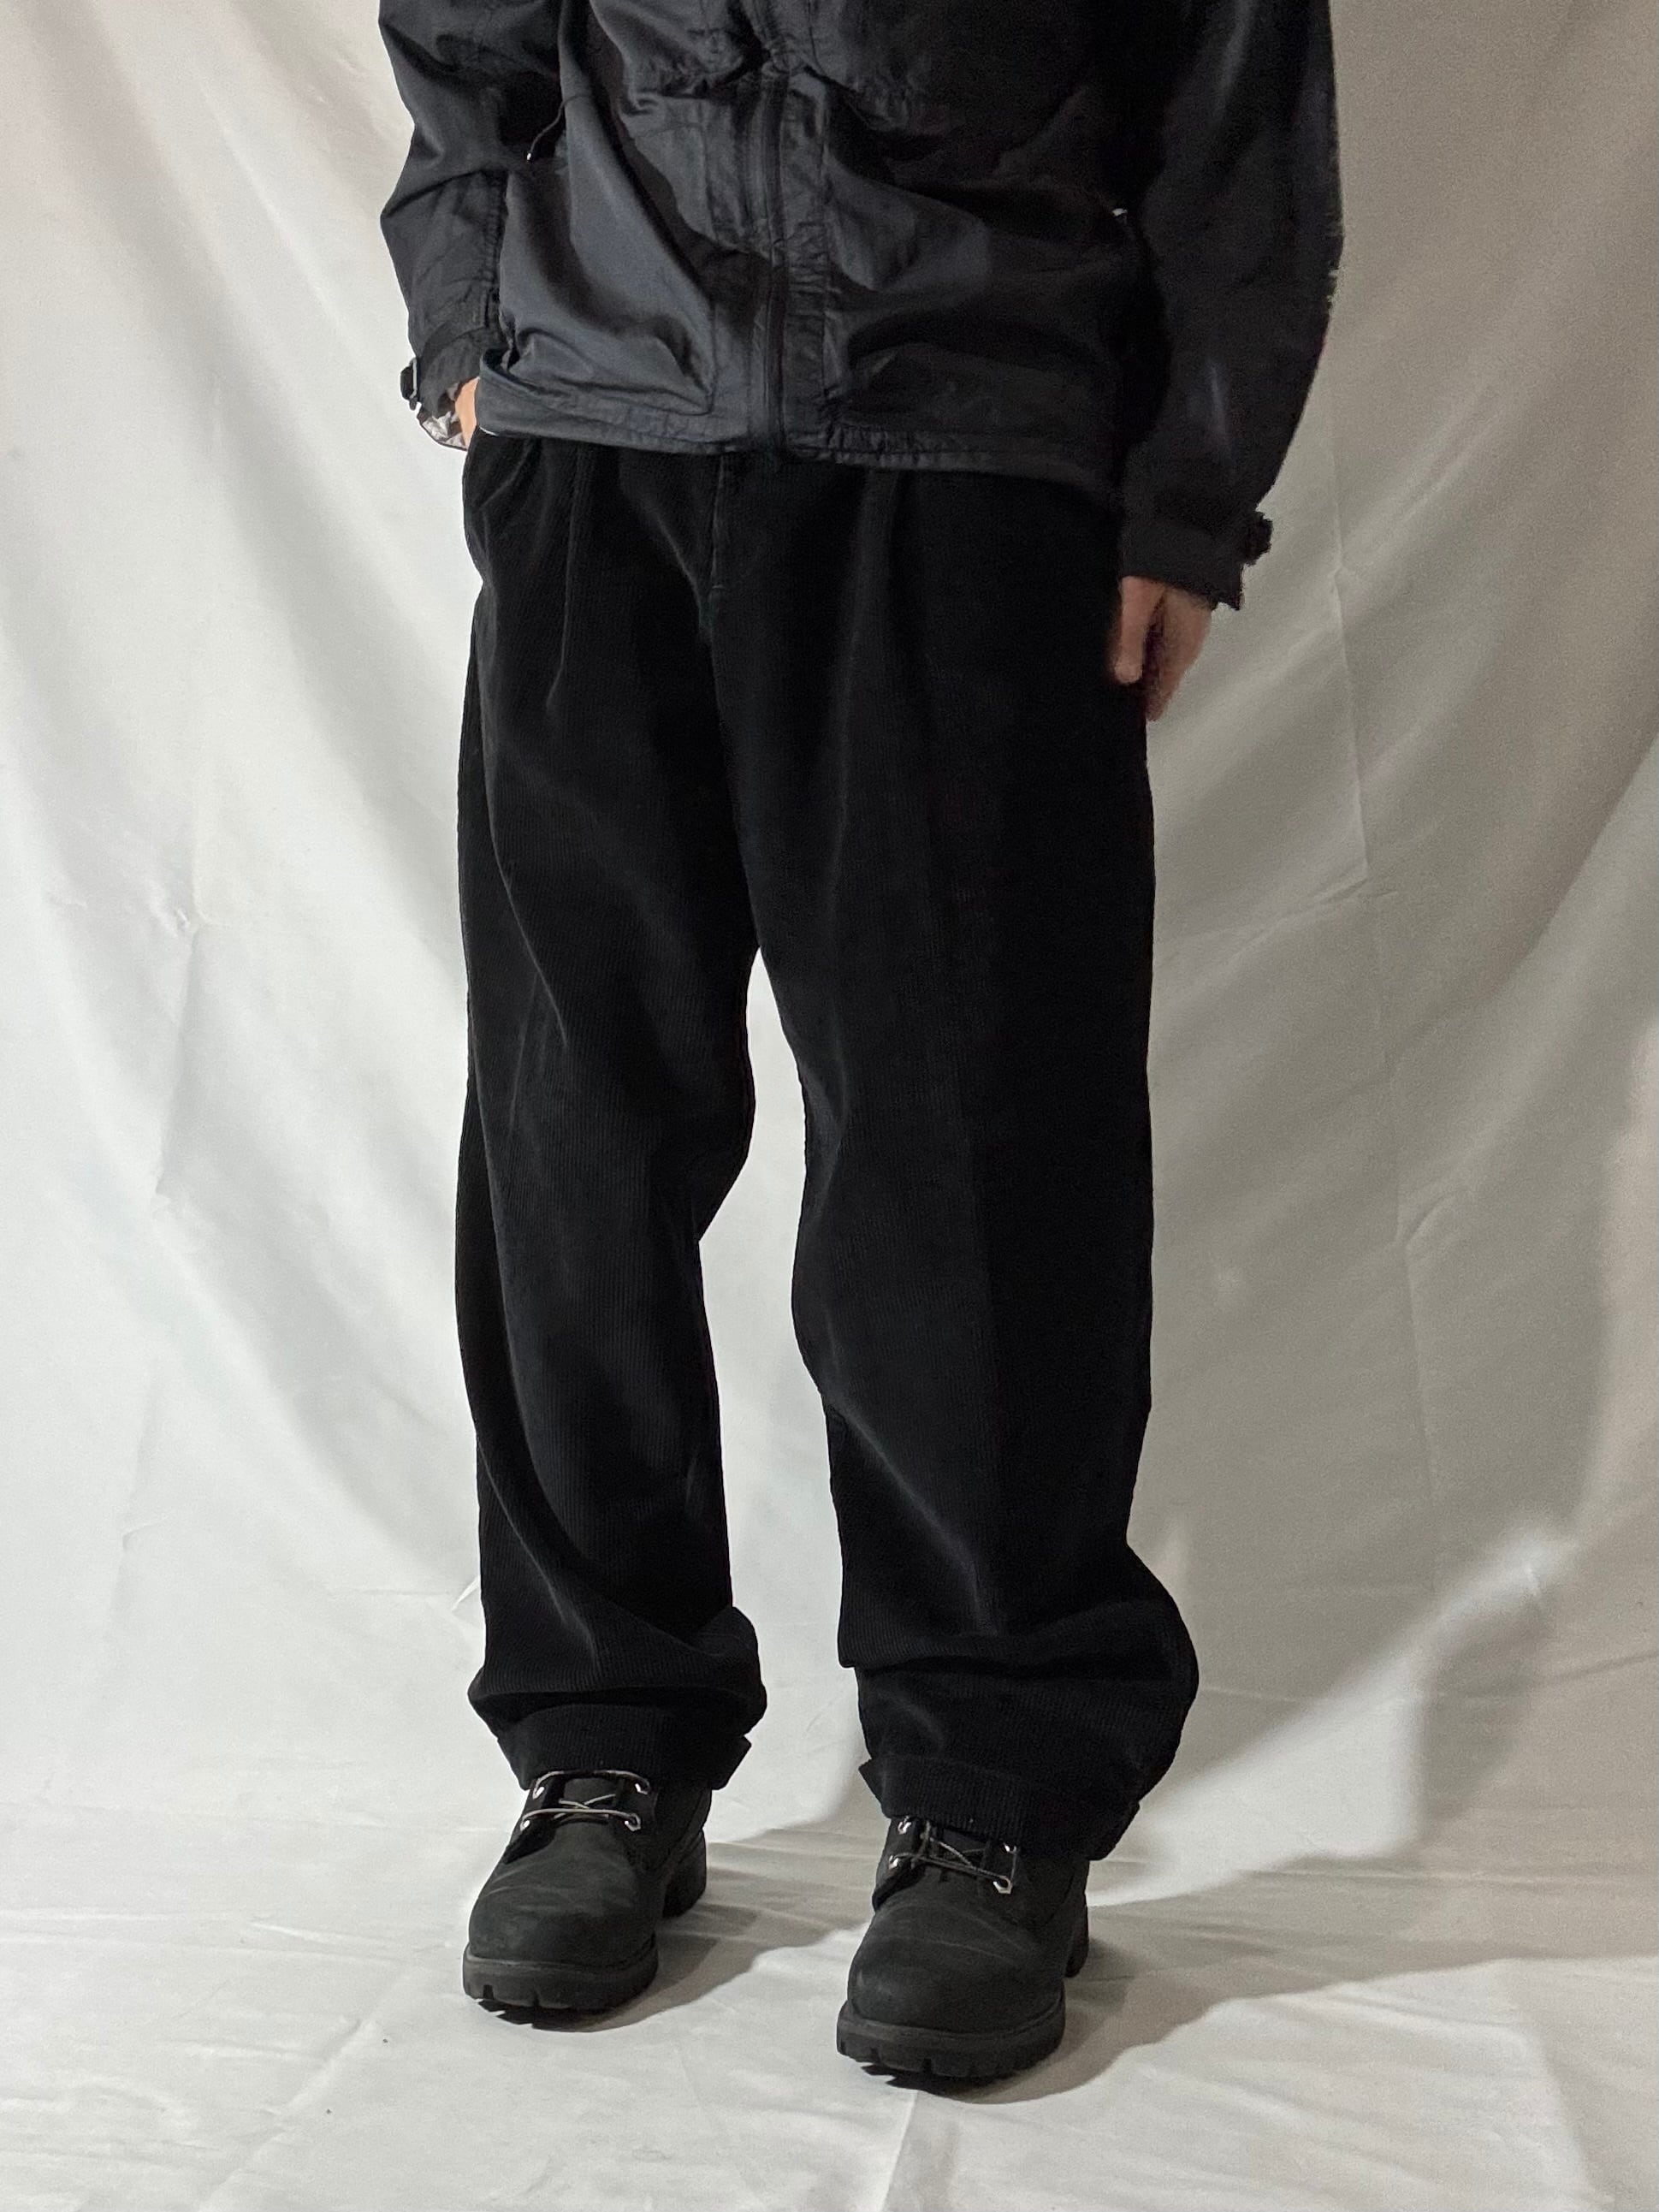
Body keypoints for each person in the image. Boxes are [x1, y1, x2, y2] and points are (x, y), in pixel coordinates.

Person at [376, 0, 1342, 2083]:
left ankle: (991, 1793)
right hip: (599, 456)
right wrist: (472, 331)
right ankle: (605, 1747)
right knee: (572, 1142)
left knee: (972, 1161)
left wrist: (1188, 495)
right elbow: (463, 41)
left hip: (970, 457)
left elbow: (1234, 114)